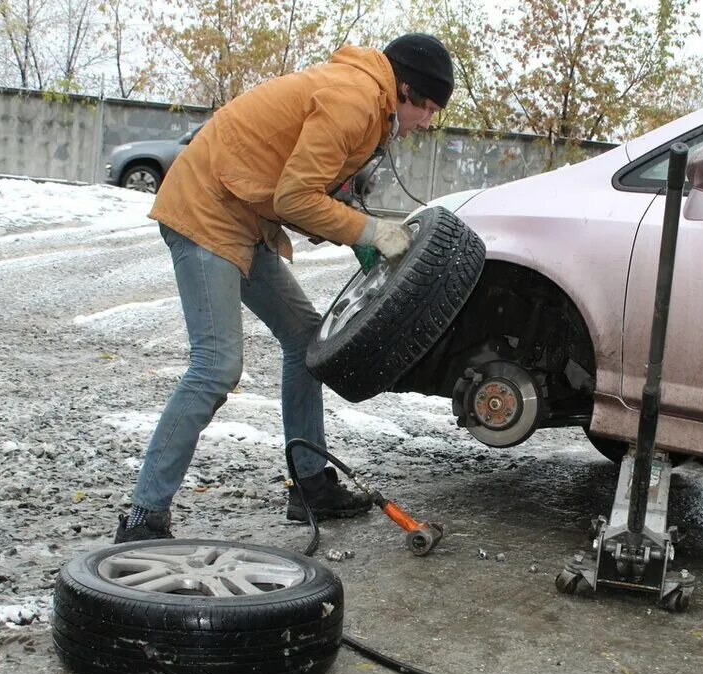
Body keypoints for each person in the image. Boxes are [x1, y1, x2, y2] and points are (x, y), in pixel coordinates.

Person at [114, 34, 455, 543]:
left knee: (305, 341)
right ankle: (144, 517)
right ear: (404, 89)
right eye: (427, 108)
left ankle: (310, 485)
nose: (426, 122)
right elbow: (295, 197)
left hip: (245, 215)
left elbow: (303, 182)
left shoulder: (365, 98)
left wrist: (352, 225)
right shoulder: (356, 98)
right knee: (215, 366)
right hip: (206, 212)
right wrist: (368, 232)